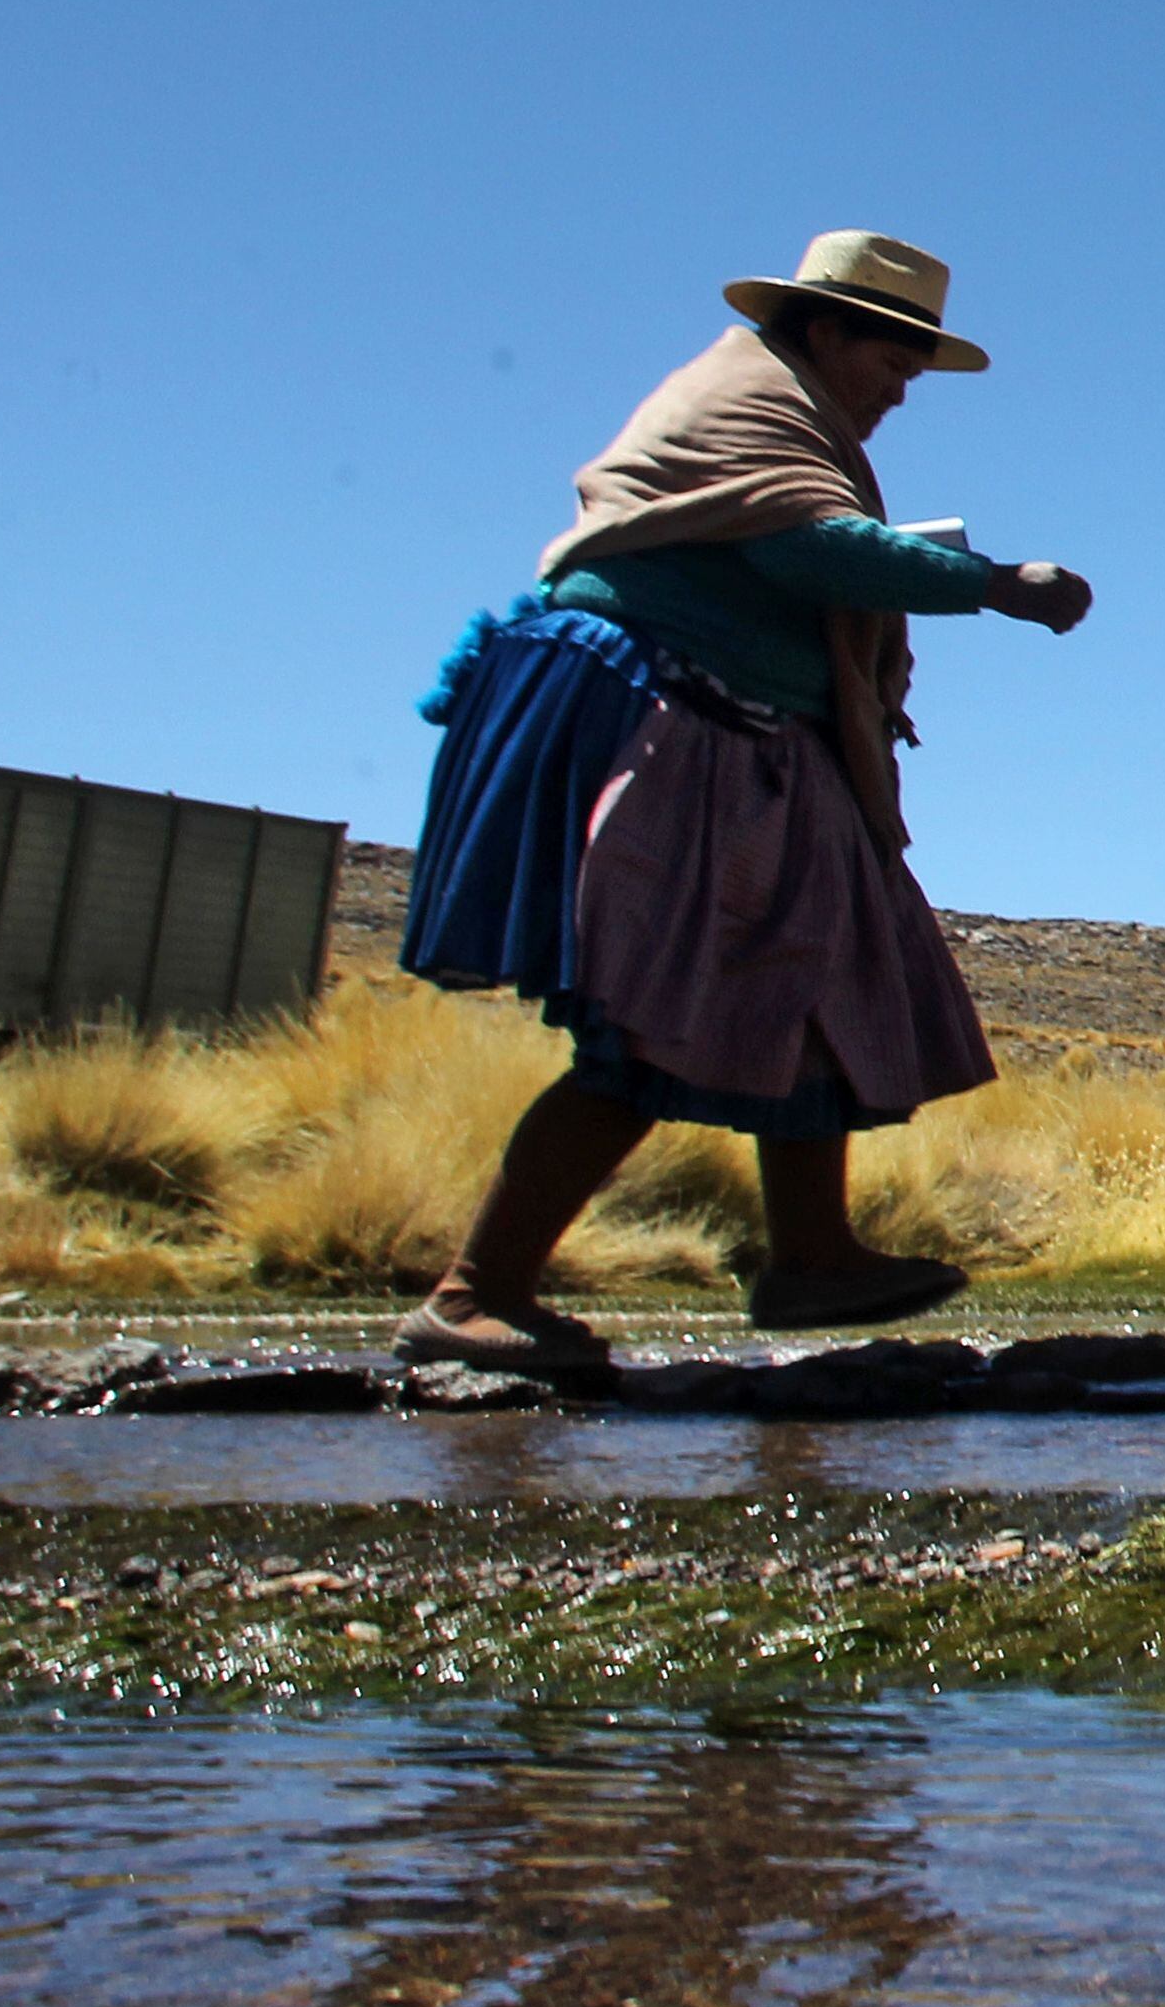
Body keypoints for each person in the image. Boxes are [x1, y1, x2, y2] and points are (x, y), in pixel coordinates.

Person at [391, 231, 1097, 1374]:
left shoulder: (792, 418)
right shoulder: (745, 400)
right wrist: (990, 585)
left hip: (747, 738)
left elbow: (806, 547)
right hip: (657, 721)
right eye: (891, 361)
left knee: (813, 982)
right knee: (649, 1021)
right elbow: (808, 551)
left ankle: (811, 1258)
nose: (898, 392)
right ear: (826, 330)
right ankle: (475, 1295)